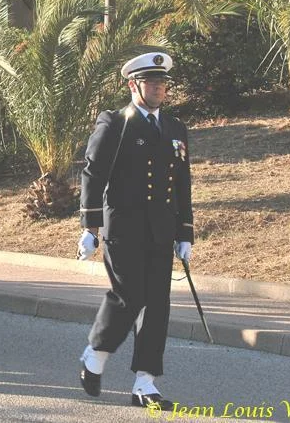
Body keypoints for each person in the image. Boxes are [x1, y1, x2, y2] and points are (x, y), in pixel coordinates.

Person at [77, 51, 193, 411]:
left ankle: (146, 383)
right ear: (133, 85)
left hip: (161, 229)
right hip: (123, 227)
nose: (158, 88)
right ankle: (95, 354)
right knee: (129, 296)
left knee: (157, 304)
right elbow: (93, 174)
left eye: (162, 83)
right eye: (151, 82)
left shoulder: (174, 128)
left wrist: (185, 232)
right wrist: (90, 227)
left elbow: (182, 183)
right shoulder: (115, 123)